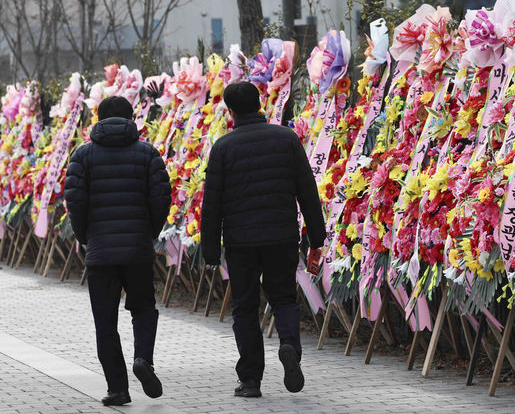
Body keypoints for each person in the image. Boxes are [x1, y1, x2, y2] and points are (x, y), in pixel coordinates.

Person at [201, 81, 326, 398]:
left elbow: (212, 204)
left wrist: (211, 250)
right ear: (260, 104)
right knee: (284, 298)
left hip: (240, 241)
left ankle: (251, 380)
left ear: (230, 111)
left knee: (244, 307)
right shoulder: (286, 139)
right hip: (281, 235)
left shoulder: (223, 148)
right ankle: (289, 346)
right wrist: (317, 235)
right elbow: (306, 190)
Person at [64, 96, 171, 406]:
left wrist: (87, 237)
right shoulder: (147, 153)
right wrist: (149, 232)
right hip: (137, 249)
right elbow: (161, 197)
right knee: (143, 309)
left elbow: (76, 202)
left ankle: (117, 388)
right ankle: (143, 359)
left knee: (105, 321)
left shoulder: (82, 155)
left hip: (100, 252)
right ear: (130, 117)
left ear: (98, 119)